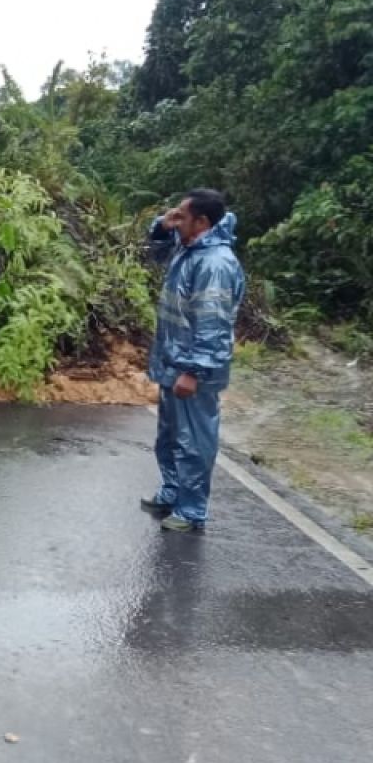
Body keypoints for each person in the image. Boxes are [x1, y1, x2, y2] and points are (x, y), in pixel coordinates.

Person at [142, 189, 246, 532]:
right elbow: (153, 253)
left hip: (193, 369)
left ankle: (192, 510)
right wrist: (163, 224)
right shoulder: (189, 248)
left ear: (202, 222)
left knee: (193, 441)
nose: (176, 219)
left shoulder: (214, 264)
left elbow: (213, 325)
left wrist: (193, 371)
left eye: (182, 216)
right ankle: (173, 492)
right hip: (173, 360)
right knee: (170, 435)